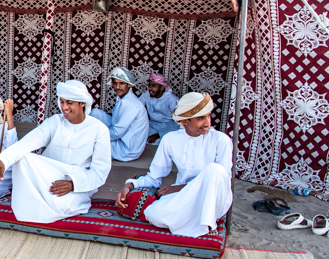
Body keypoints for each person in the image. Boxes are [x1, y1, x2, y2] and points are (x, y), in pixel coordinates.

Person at [0, 81, 111, 223]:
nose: (64, 107)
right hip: (48, 174)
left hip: (76, 180)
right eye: (62, 101)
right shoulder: (55, 122)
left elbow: (99, 173)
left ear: (82, 103)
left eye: (69, 103)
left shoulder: (99, 130)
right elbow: (27, 143)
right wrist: (2, 159)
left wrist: (72, 184)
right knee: (23, 158)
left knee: (58, 205)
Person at [115, 92, 233, 237]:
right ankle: (196, 221)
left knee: (215, 170)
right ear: (185, 121)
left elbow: (223, 179)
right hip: (184, 198)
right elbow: (154, 177)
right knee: (153, 214)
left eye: (208, 116)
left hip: (214, 198)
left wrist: (180, 187)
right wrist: (130, 185)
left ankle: (208, 221)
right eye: (201, 118)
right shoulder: (170, 139)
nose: (208, 123)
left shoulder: (221, 140)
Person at [90, 67, 149, 161]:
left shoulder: (130, 104)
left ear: (128, 85)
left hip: (126, 149)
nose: (117, 87)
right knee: (95, 113)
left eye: (121, 83)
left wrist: (96, 137)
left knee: (89, 144)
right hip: (121, 135)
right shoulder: (123, 98)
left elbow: (117, 133)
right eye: (115, 83)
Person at [139, 73, 179, 145]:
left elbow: (178, 122)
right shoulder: (147, 94)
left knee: (168, 140)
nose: (150, 88)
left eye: (153, 85)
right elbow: (137, 107)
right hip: (152, 125)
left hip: (168, 126)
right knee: (138, 135)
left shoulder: (171, 99)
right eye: (149, 85)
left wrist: (159, 134)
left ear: (162, 87)